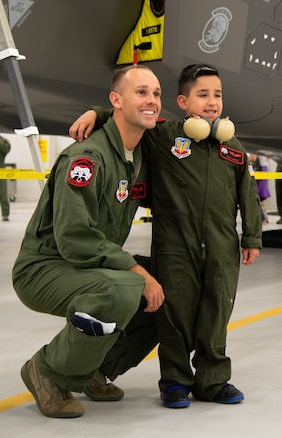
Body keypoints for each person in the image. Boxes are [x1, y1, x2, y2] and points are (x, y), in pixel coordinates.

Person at [70, 63, 262, 409]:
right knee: (174, 314)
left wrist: (251, 237)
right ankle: (175, 381)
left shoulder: (232, 147)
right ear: (184, 102)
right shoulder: (166, 136)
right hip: (175, 245)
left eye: (217, 95)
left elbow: (246, 193)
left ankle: (213, 380)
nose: (212, 102)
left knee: (216, 312)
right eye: (202, 95)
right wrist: (96, 113)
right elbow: (128, 118)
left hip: (221, 246)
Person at [12, 65, 165, 419]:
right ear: (117, 100)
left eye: (156, 93)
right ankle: (47, 370)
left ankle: (93, 368)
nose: (152, 101)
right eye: (141, 92)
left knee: (170, 284)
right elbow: (74, 237)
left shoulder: (138, 155)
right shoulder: (87, 158)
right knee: (125, 287)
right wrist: (135, 268)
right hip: (45, 268)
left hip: (89, 266)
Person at [251, 154, 270, 224]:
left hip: (260, 170)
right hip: (262, 169)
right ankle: (264, 217)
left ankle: (263, 218)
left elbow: (253, 158)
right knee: (260, 197)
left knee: (257, 196)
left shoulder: (256, 149)